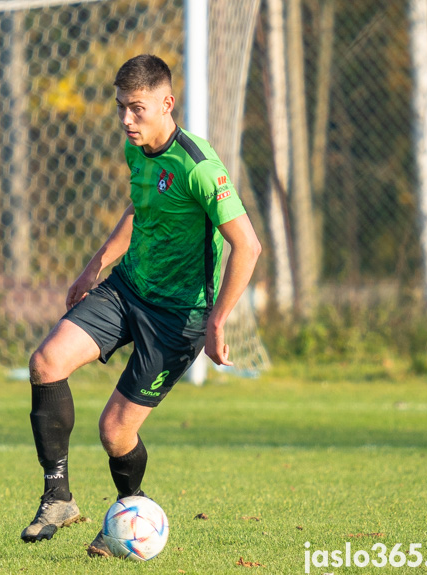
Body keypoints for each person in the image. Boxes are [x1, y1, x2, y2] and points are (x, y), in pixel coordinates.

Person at [19, 55, 261, 555]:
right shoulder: (138, 151)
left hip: (178, 318)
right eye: (120, 109)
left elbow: (248, 245)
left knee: (114, 432)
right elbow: (139, 208)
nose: (126, 120)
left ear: (166, 104)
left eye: (137, 109)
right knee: (46, 363)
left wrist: (217, 321)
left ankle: (131, 516)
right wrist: (95, 267)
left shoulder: (198, 166)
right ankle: (58, 497)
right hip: (128, 289)